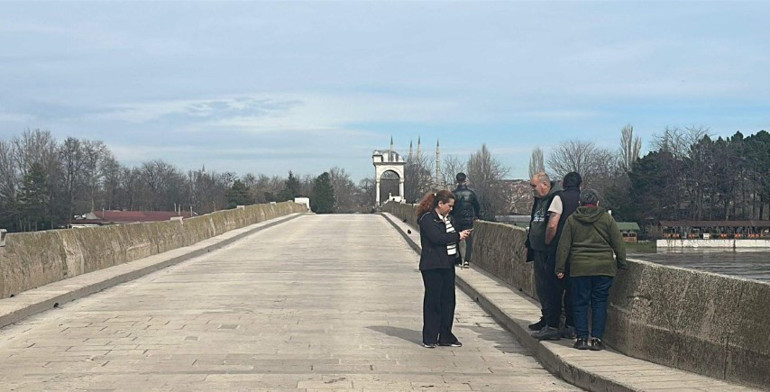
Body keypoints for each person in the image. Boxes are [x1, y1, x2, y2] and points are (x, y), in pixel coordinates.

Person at [555, 189, 627, 351]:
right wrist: (622, 263)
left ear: (580, 203)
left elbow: (563, 246)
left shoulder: (572, 220)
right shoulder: (607, 219)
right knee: (599, 303)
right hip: (603, 268)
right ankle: (596, 339)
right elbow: (618, 243)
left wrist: (560, 268)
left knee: (580, 303)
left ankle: (581, 338)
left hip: (579, 268)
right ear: (597, 203)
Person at [416, 190, 471, 348]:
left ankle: (446, 336)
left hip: (447, 264)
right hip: (433, 266)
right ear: (440, 204)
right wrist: (458, 236)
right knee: (433, 302)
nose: (451, 209)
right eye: (449, 206)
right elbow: (437, 238)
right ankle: (430, 337)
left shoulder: (448, 219)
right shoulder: (427, 219)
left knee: (448, 301)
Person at [525, 172, 564, 340]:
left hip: (548, 250)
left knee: (549, 287)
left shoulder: (555, 198)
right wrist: (529, 243)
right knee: (540, 286)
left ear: (545, 185)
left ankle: (553, 321)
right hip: (537, 248)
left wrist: (548, 243)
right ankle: (545, 316)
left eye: (534, 186)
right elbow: (533, 222)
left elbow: (552, 225)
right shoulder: (538, 199)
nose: (532, 189)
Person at [553, 172, 582, 339]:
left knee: (558, 289)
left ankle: (556, 323)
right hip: (581, 252)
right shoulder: (584, 199)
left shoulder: (560, 198)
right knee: (576, 292)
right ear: (580, 184)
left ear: (564, 183)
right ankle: (574, 326)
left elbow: (553, 224)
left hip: (562, 249)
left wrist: (549, 243)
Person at [451, 172, 481, 268]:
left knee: (456, 237)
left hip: (457, 219)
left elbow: (451, 207)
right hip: (468, 219)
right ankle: (467, 260)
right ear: (465, 180)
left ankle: (459, 259)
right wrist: (476, 215)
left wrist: (452, 215)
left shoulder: (453, 194)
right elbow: (477, 206)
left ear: (457, 180)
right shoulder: (471, 194)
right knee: (468, 240)